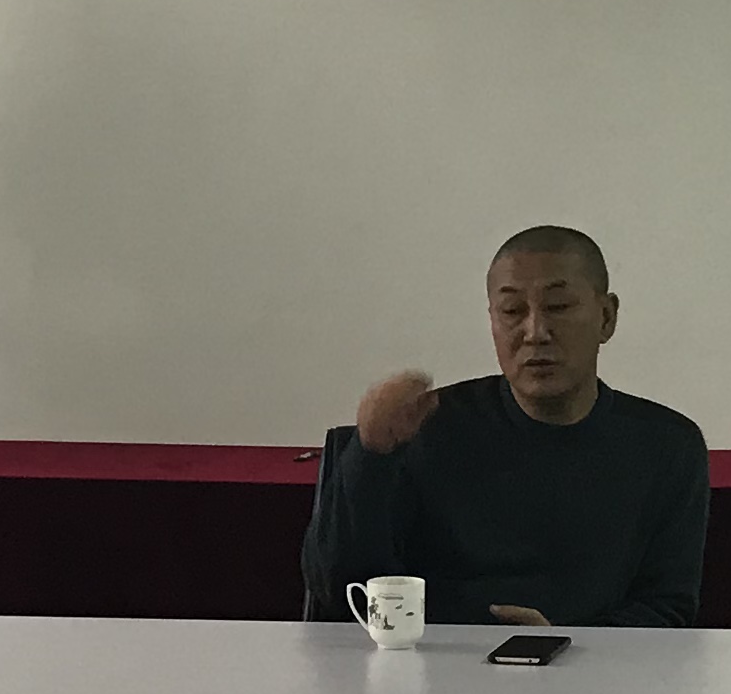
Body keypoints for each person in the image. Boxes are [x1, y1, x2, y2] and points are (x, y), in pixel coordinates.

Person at [299, 226, 706, 630]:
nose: (535, 332)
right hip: (440, 660)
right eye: (512, 311)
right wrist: (369, 454)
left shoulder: (667, 445)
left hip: (596, 664)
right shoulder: (424, 427)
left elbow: (666, 607)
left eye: (558, 306)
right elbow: (341, 593)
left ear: (607, 317)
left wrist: (564, 641)